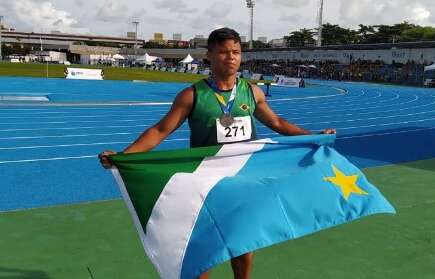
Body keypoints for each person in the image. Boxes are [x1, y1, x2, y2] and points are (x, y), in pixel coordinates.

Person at [99, 27, 335, 279]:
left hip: (242, 179)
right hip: (205, 182)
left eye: (236, 51)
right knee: (204, 246)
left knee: (244, 242)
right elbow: (159, 130)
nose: (231, 57)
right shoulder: (192, 95)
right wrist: (124, 155)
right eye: (223, 52)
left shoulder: (252, 92)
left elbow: (277, 123)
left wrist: (314, 135)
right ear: (209, 55)